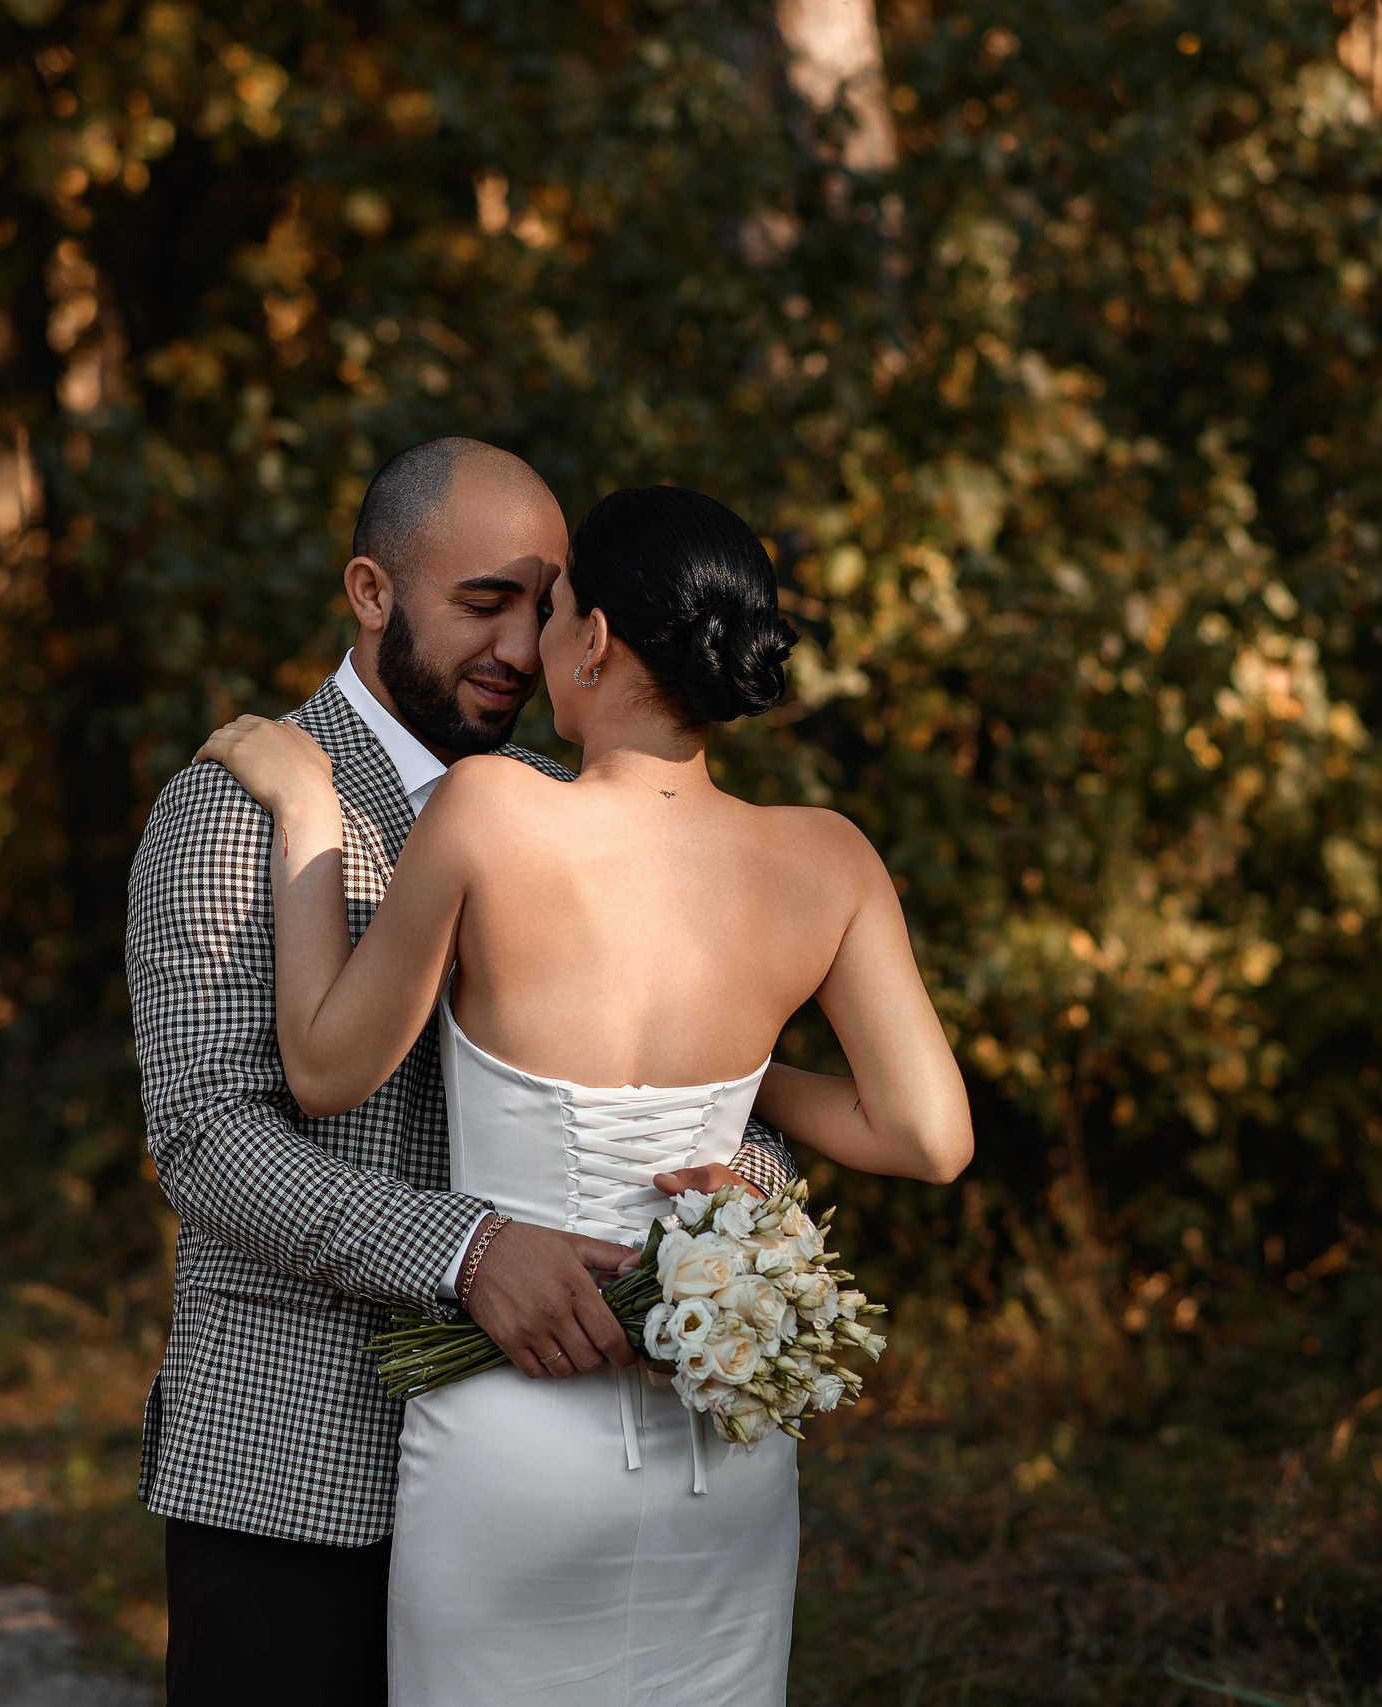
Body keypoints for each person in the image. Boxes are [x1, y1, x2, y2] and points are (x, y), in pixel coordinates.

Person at [198, 481, 973, 1704]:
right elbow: (925, 1136)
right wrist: (733, 1074)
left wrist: (305, 813)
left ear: (597, 639)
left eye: (550, 611)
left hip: (517, 1436)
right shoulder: (830, 857)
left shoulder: (493, 809)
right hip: (722, 1446)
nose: (529, 645)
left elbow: (324, 1067)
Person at [126, 441, 803, 1706]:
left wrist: (743, 1186)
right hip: (298, 1467)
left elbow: (707, 1068)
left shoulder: (570, 802)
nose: (515, 642)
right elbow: (209, 1136)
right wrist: (465, 1250)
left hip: (552, 1479)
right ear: (373, 592)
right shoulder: (234, 809)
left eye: (541, 607)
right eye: (480, 603)